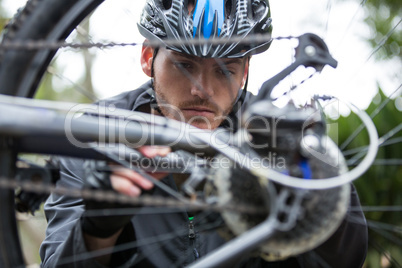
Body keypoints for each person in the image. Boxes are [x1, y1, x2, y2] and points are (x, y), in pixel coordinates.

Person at [40, 0, 368, 267]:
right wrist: (98, 229)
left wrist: (316, 176)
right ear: (147, 57)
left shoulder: (276, 130)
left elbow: (348, 259)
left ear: (245, 74)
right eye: (185, 65)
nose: (203, 90)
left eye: (225, 69)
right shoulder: (95, 132)